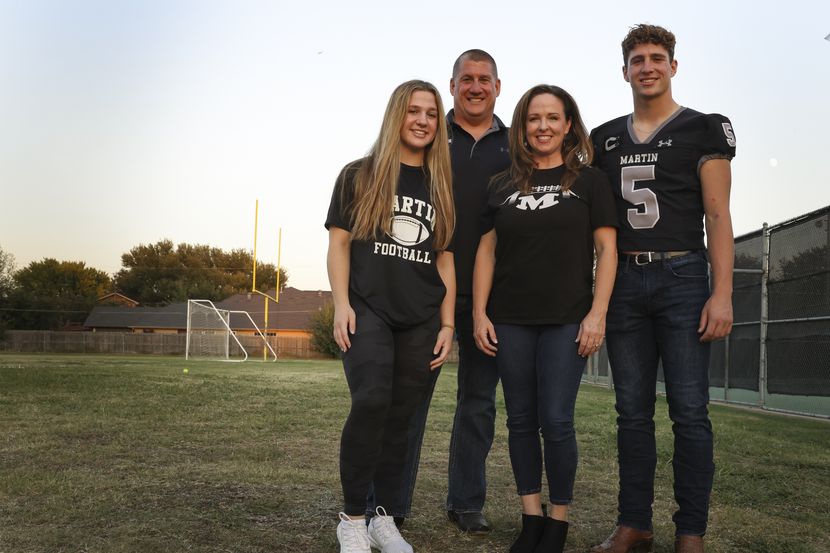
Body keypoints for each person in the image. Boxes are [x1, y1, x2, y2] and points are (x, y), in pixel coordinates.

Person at [589, 24, 735, 553]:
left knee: (690, 412)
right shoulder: (603, 138)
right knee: (631, 412)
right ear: (624, 70)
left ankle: (690, 532)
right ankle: (635, 523)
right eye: (637, 59)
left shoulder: (703, 128)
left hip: (683, 277)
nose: (647, 66)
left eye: (656, 57)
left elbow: (718, 216)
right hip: (626, 279)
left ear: (673, 66)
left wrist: (722, 293)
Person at [368, 49, 510, 533]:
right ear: (452, 85)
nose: (475, 86)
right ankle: (390, 506)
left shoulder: (516, 146)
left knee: (478, 401)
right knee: (408, 401)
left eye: (484, 79)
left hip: (492, 297)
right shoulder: (429, 135)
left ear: (498, 86)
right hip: (427, 290)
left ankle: (466, 501)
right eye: (466, 78)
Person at [473, 84, 618, 553]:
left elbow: (607, 251)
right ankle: (530, 518)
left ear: (568, 125)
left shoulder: (590, 181)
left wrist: (597, 314)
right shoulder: (501, 184)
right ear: (522, 125)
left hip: (567, 320)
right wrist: (479, 313)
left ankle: (558, 522)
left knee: (555, 420)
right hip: (511, 318)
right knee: (519, 420)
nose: (543, 126)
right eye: (534, 118)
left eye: (553, 118)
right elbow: (487, 252)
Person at [326, 79, 456, 553]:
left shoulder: (441, 183)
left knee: (402, 416)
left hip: (421, 317)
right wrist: (342, 304)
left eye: (431, 113)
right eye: (413, 111)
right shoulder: (359, 175)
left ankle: (384, 518)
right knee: (372, 401)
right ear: (396, 116)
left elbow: (444, 258)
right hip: (369, 309)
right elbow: (339, 243)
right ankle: (352, 519)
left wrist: (447, 324)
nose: (422, 120)